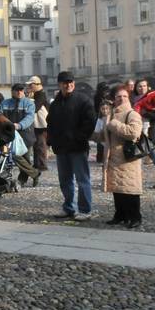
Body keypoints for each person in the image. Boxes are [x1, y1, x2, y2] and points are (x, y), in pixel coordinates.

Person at [47, 71, 97, 221]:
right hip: (61, 148)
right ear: (59, 84)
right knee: (65, 180)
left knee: (82, 180)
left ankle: (85, 209)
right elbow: (50, 122)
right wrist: (51, 140)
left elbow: (90, 122)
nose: (68, 85)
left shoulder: (83, 100)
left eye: (70, 82)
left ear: (73, 84)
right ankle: (69, 207)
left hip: (77, 147)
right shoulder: (56, 102)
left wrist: (79, 138)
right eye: (65, 82)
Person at [94, 84, 144, 229]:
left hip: (127, 158)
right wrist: (95, 134)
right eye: (118, 96)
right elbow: (105, 136)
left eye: (124, 96)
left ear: (128, 98)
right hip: (113, 158)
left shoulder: (132, 114)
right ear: (114, 99)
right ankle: (120, 215)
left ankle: (135, 217)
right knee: (117, 188)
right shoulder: (110, 114)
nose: (121, 99)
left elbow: (134, 132)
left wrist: (113, 124)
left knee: (130, 188)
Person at [0, 83, 41, 186]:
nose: (19, 92)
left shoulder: (29, 103)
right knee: (12, 154)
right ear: (12, 91)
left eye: (21, 90)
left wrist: (19, 125)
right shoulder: (5, 103)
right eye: (17, 90)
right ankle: (35, 173)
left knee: (25, 159)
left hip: (25, 135)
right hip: (8, 136)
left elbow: (30, 118)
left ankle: (22, 181)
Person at [27, 76, 49, 172]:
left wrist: (29, 99)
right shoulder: (35, 94)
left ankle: (41, 165)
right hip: (37, 124)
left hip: (41, 124)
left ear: (36, 85)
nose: (29, 86)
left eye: (30, 85)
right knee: (37, 144)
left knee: (40, 144)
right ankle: (37, 164)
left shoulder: (40, 95)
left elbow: (35, 108)